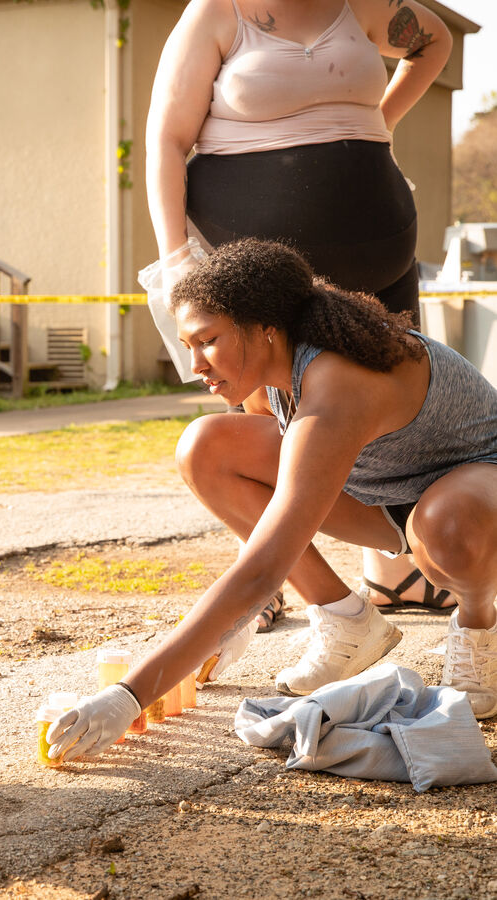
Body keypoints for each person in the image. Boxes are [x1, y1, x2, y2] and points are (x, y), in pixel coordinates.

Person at [47, 238, 497, 762]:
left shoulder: (337, 381)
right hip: (384, 500)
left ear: (263, 326)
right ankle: (345, 620)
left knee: (448, 527)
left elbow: (265, 567)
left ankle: (478, 620)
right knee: (206, 448)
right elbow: (273, 518)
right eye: (188, 345)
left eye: (208, 341)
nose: (194, 365)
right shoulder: (270, 373)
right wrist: (234, 617)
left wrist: (128, 695)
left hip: (474, 496)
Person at [144, 0, 454, 629]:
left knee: (393, 414)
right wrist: (175, 257)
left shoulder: (366, 5)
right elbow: (167, 141)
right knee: (272, 424)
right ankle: (275, 579)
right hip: (263, 276)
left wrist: (377, 124)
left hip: (381, 258)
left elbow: (434, 43)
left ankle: (393, 573)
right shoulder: (215, 15)